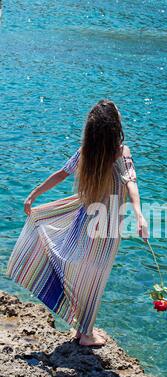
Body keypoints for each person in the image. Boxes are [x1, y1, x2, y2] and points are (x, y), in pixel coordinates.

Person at [6, 99, 148, 347]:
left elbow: (61, 174)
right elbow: (131, 182)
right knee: (95, 277)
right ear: (115, 127)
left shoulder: (87, 151)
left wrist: (33, 195)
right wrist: (139, 214)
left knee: (80, 270)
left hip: (85, 218)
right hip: (107, 226)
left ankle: (80, 326)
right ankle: (86, 333)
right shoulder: (120, 152)